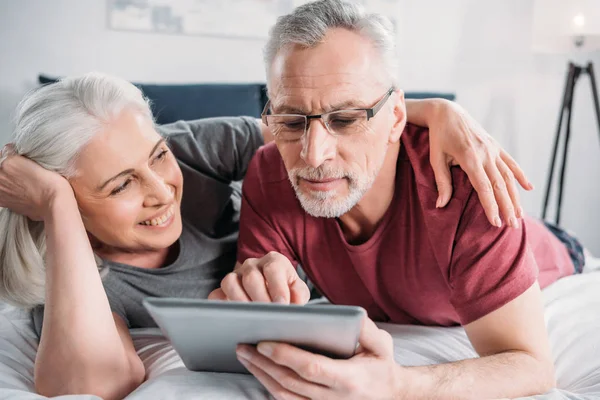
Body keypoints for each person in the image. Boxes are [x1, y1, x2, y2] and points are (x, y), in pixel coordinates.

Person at [0, 74, 527, 399]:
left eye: (157, 155)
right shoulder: (77, 277)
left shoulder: (193, 150)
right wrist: (55, 207)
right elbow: (94, 387)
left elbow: (317, 136)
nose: (162, 190)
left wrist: (434, 110)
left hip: (477, 252)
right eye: (121, 185)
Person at [208, 1, 578, 399]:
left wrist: (399, 385)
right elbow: (253, 302)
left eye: (346, 119)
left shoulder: (465, 185)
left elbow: (532, 366)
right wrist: (255, 292)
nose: (313, 156)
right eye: (292, 121)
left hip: (547, 251)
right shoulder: (269, 173)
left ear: (396, 117)